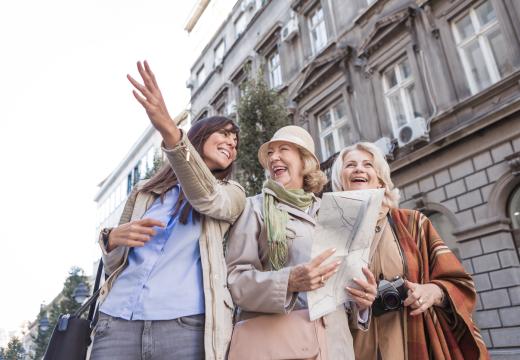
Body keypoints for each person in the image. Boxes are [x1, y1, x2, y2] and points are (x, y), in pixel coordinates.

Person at [90, 61, 246, 360]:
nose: (231, 143)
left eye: (235, 142)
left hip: (185, 326)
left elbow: (207, 198)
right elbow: (114, 267)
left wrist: (169, 130)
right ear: (201, 135)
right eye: (224, 134)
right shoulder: (145, 191)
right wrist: (112, 239)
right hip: (118, 320)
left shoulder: (232, 193)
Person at [226, 126, 377, 359]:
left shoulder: (334, 212)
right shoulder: (253, 208)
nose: (273, 157)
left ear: (304, 161)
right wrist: (288, 282)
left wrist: (362, 300)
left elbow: (342, 287)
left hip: (335, 345)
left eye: (283, 149)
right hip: (279, 346)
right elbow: (236, 282)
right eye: (270, 153)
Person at [330, 142, 489, 360]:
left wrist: (433, 292)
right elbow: (322, 309)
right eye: (350, 165)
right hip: (358, 349)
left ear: (380, 182)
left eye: (368, 164)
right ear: (341, 182)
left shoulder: (413, 223)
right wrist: (356, 305)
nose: (359, 169)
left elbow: (460, 283)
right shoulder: (329, 237)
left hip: (415, 344)